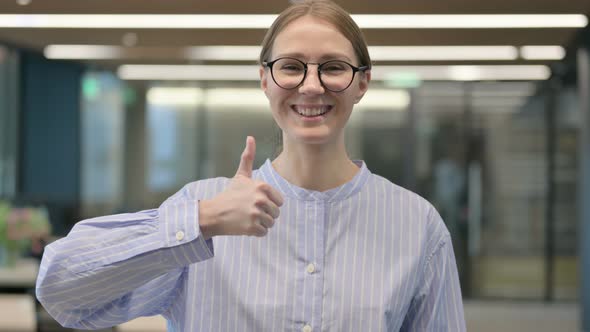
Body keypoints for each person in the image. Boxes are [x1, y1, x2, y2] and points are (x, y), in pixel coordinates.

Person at [36, 0, 466, 330]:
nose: (311, 86)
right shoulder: (203, 205)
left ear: (362, 83)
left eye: (333, 68)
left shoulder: (417, 224)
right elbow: (61, 291)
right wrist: (202, 221)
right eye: (291, 67)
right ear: (264, 80)